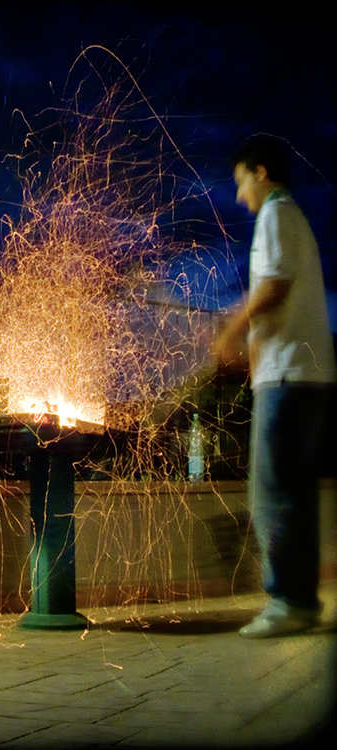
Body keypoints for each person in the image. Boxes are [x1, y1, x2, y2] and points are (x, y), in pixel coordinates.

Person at [213, 133, 336, 639]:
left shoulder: (276, 212)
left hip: (288, 376)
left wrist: (231, 328)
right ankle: (301, 601)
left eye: (241, 182)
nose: (240, 195)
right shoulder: (293, 217)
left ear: (260, 173)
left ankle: (287, 601)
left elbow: (274, 285)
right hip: (303, 373)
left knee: (272, 492)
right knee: (296, 492)